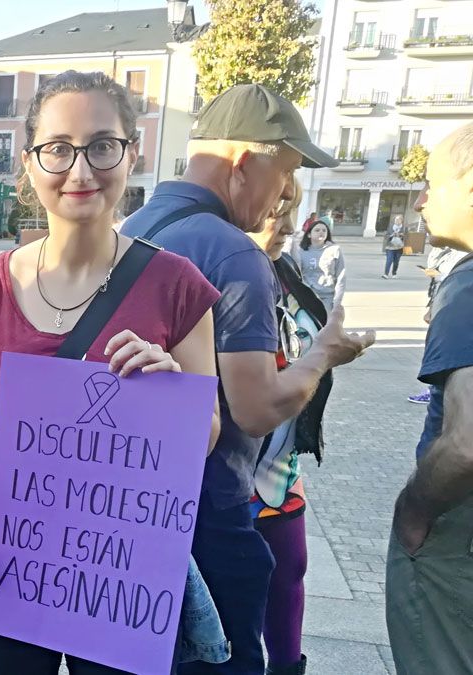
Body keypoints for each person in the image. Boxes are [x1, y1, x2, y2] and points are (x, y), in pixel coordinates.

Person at [0, 70, 223, 675]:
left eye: (101, 145)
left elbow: (207, 436)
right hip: (11, 558)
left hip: (120, 566)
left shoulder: (177, 287)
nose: (81, 170)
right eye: (58, 149)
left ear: (131, 152)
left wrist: (174, 394)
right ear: (31, 161)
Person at [119, 83, 374, 675]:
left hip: (131, 512)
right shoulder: (233, 253)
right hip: (211, 516)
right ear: (244, 162)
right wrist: (322, 356)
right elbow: (256, 409)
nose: (286, 192)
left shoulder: (131, 225)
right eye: (284, 171)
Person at [387, 122, 473, 675]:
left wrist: (414, 509)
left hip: (455, 541)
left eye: (434, 184)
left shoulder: (465, 284)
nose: (421, 200)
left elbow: (466, 444)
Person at [246, 178, 334, 675]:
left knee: (289, 574)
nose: (280, 222)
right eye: (273, 206)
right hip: (229, 462)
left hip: (280, 465)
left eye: (290, 209)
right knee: (234, 584)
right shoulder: (221, 268)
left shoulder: (286, 271)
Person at [408, 245, 464, 404]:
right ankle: (434, 389)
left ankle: (435, 390)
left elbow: (452, 279)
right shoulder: (447, 250)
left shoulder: (464, 255)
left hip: (451, 309)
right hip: (442, 302)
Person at [295, 220, 346, 310]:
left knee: (326, 323)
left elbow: (341, 277)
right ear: (309, 234)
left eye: (324, 230)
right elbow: (297, 275)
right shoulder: (300, 251)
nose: (321, 232)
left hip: (327, 297)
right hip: (308, 296)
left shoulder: (335, 250)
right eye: (317, 230)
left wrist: (337, 301)